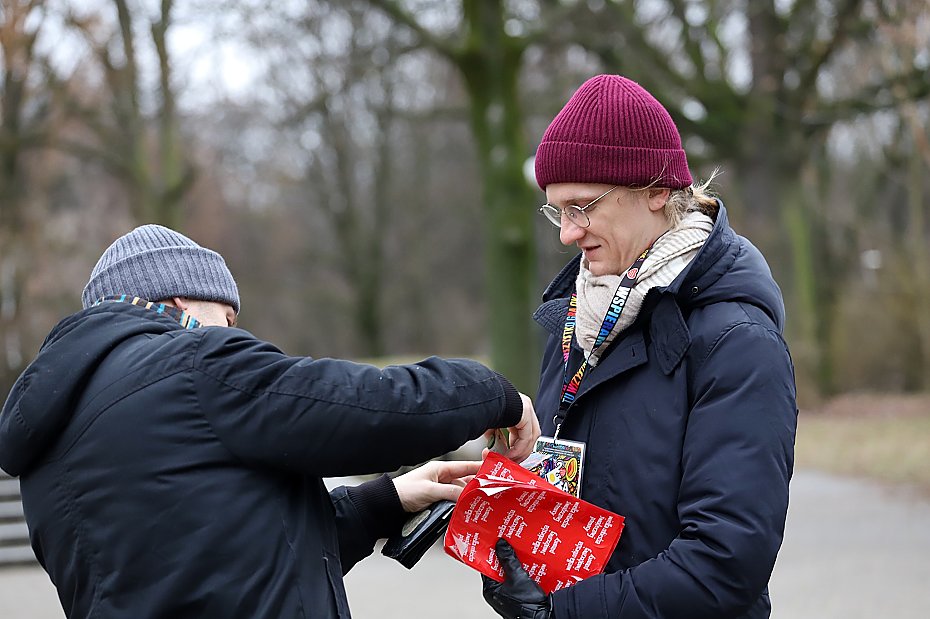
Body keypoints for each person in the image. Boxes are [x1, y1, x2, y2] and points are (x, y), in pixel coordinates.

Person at [0, 223, 541, 618]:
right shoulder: (193, 364)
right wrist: (492, 393)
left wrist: (387, 501)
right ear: (181, 296)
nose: (233, 332)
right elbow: (360, 405)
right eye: (229, 317)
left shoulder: (51, 436)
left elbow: (225, 556)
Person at [482, 74, 797, 618]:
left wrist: (564, 614)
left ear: (656, 191)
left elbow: (726, 562)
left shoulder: (736, 341)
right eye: (557, 210)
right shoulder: (575, 320)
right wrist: (513, 543)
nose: (567, 233)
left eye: (583, 206)